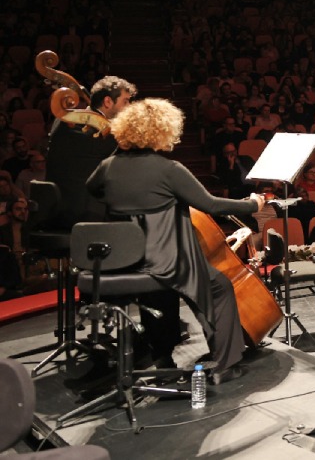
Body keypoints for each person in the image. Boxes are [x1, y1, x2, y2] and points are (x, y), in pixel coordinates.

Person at [86, 99, 265, 382]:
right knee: (218, 287)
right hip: (168, 260)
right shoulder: (169, 169)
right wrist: (253, 205)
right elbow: (211, 204)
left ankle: (164, 363)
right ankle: (225, 365)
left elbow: (91, 189)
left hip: (128, 262)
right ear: (162, 131)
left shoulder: (107, 167)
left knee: (158, 295)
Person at [44, 75, 136, 229]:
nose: (129, 107)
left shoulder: (65, 121)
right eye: (125, 101)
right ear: (108, 101)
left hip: (61, 209)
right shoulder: (86, 131)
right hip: (84, 214)